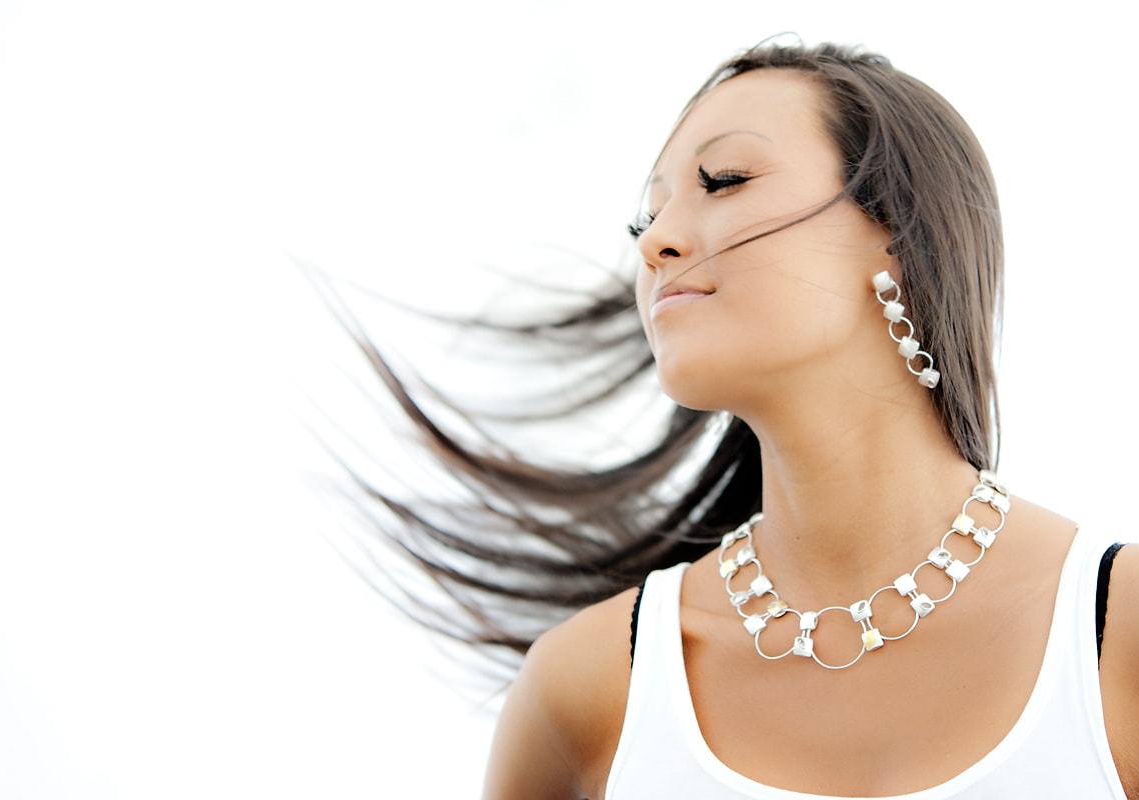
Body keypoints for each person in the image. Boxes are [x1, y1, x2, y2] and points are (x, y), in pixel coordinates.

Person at [341, 41, 1138, 797]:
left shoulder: (1116, 631)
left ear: (895, 232)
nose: (656, 240)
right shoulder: (590, 686)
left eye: (723, 180)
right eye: (643, 220)